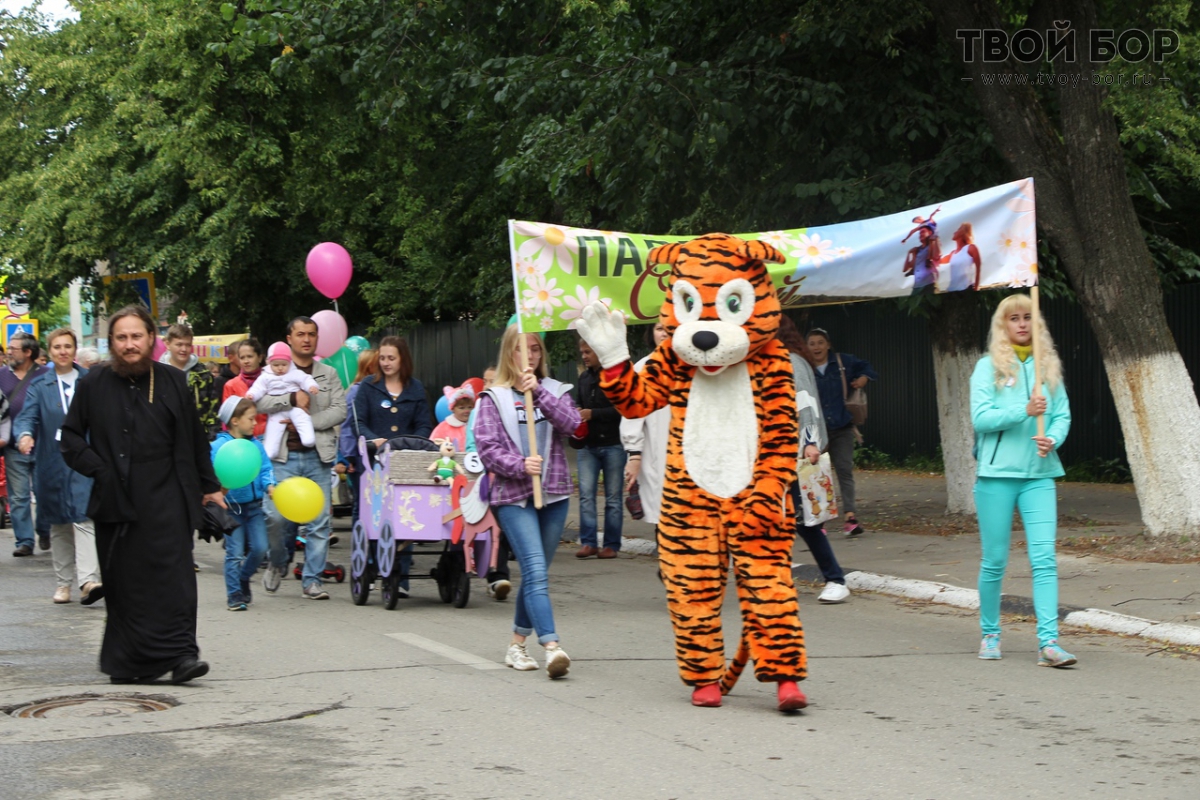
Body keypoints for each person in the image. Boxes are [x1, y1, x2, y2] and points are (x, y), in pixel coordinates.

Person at [60, 305, 224, 684]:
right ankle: (131, 662)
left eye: (137, 336)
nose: (130, 345)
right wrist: (96, 468)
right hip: (116, 500)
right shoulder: (93, 384)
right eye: (122, 338)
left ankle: (183, 655)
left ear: (151, 339)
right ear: (112, 343)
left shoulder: (171, 382)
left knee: (175, 579)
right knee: (126, 584)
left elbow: (195, 441)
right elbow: (69, 438)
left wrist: (210, 487)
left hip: (168, 496)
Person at [971, 294, 1076, 668]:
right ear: (1003, 325)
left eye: (1027, 317)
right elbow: (981, 418)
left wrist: (1054, 438)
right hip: (996, 475)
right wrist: (1023, 410)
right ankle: (990, 633)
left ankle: (1049, 643)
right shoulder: (987, 368)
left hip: (1039, 476)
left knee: (1045, 560)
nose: (1021, 324)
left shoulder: (1048, 367)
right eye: (1013, 318)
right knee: (995, 561)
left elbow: (1061, 415)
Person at [475, 326, 580, 678]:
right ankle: (552, 647)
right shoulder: (493, 398)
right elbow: (488, 449)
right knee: (534, 570)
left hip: (554, 492)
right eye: (523, 349)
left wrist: (539, 393)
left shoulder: (554, 390)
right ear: (510, 353)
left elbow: (573, 424)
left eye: (536, 348)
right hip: (512, 497)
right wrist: (520, 465)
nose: (530, 355)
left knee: (538, 576)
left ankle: (516, 645)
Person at [257, 317, 346, 600]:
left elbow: (339, 409)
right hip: (283, 457)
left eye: (311, 334)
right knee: (275, 516)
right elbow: (260, 402)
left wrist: (309, 421)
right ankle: (278, 561)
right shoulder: (275, 369)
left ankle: (312, 579)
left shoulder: (328, 374)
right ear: (290, 338)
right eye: (300, 334)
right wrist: (291, 401)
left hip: (318, 456)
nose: (306, 339)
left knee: (319, 522)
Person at [13, 328, 101, 604]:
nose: (63, 351)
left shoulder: (91, 381)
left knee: (85, 518)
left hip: (85, 460)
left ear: (74, 350)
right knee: (60, 523)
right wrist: (25, 435)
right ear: (49, 352)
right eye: (57, 347)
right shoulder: (40, 386)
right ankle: (64, 583)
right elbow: (27, 417)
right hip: (52, 461)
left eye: (68, 346)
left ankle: (88, 580)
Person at [777, 317, 850, 604]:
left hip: (794, 454)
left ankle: (835, 579)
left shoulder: (792, 361)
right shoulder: (774, 361)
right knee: (783, 519)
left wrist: (809, 443)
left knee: (804, 520)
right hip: (775, 455)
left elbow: (805, 402)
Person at [353, 335, 432, 596]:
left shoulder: (415, 389)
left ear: (402, 360)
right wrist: (372, 440)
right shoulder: (368, 386)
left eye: (391, 358)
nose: (386, 363)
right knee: (374, 515)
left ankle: (401, 578)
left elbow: (423, 425)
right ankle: (370, 568)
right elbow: (359, 422)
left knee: (405, 515)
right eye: (382, 358)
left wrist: (413, 444)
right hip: (375, 461)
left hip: (404, 462)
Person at [805, 328, 876, 537]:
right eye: (812, 343)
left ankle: (850, 518)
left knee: (845, 471)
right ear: (807, 347)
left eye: (820, 342)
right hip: (816, 432)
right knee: (818, 474)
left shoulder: (843, 362)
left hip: (842, 427)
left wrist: (864, 378)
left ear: (828, 344)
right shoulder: (804, 368)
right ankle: (821, 522)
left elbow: (867, 367)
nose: (816, 347)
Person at [211, 397, 276, 612]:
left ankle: (243, 577)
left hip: (254, 506)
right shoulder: (218, 447)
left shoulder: (256, 445)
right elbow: (211, 473)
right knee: (235, 553)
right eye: (251, 419)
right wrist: (218, 489)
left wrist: (270, 486)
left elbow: (265, 469)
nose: (255, 423)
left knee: (260, 548)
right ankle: (234, 595)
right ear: (235, 421)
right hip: (230, 508)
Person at [464, 365, 513, 601]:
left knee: (503, 526)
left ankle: (498, 574)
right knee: (491, 523)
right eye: (485, 381)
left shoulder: (511, 405)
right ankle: (495, 576)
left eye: (492, 381)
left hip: (510, 475)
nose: (487, 386)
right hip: (486, 475)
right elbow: (471, 445)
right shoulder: (478, 409)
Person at [574, 336, 626, 559]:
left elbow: (623, 409)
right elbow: (579, 403)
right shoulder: (584, 378)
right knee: (586, 495)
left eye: (588, 352)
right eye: (582, 352)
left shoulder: (614, 377)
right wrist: (576, 411)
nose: (584, 356)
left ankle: (611, 545)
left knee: (613, 498)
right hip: (588, 446)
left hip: (614, 443)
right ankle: (588, 542)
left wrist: (592, 414)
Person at [1, 332, 50, 556]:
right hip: (13, 445)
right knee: (19, 496)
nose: (9, 352)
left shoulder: (45, 374)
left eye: (14, 348)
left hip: (43, 445)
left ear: (28, 352)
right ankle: (25, 541)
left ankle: (45, 529)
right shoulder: (1, 375)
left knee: (44, 491)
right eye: (9, 348)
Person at [621, 322, 671, 526]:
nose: (665, 332)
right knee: (665, 519)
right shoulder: (642, 368)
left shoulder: (695, 366)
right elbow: (632, 416)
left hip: (692, 459)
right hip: (657, 456)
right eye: (660, 328)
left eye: (670, 327)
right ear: (651, 333)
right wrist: (634, 455)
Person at [247, 342, 320, 457]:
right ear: (269, 363)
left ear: (290, 362)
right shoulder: (265, 376)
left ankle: (308, 438)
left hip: (295, 407)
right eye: (276, 365)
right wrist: (252, 394)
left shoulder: (295, 373)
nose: (280, 368)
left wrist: (312, 386)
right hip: (277, 410)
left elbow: (305, 379)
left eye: (284, 364)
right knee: (273, 430)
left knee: (302, 418)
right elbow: (258, 388)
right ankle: (270, 452)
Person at [337, 348, 377, 529]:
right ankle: (361, 548)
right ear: (369, 367)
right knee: (361, 502)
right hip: (358, 456)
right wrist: (348, 457)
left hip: (374, 453)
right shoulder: (356, 391)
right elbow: (347, 426)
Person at [159, 323, 221, 438]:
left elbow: (213, 411)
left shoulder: (203, 375)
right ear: (167, 344)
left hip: (196, 439)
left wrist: (211, 440)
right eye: (179, 344)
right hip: (165, 440)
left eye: (188, 345)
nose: (184, 349)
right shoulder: (157, 374)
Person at [222, 338, 268, 436]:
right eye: (242, 358)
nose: (246, 361)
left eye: (250, 356)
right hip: (242, 441)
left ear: (260, 358)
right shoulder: (231, 385)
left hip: (270, 437)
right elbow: (226, 421)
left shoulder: (272, 381)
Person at [430, 382, 476, 452]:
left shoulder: (477, 424)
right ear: (453, 409)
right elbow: (432, 444)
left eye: (470, 407)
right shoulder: (443, 427)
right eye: (462, 408)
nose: (467, 411)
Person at [942, 222, 983, 292]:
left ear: (962, 232)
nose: (954, 232)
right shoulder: (952, 253)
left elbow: (978, 268)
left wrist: (976, 287)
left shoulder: (971, 248)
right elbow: (937, 261)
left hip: (966, 289)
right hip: (951, 290)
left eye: (957, 230)